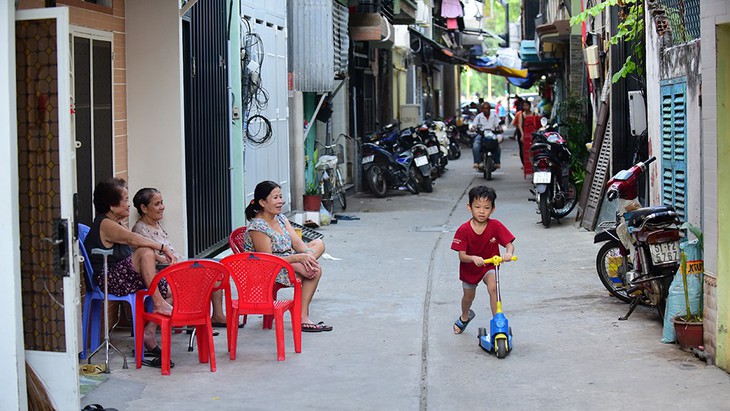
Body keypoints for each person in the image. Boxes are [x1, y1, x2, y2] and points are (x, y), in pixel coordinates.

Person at [84, 178, 178, 357]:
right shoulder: (105, 224)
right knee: (145, 252)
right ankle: (158, 303)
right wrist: (162, 248)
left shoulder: (117, 223)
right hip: (109, 279)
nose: (129, 205)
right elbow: (133, 240)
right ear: (112, 206)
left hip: (123, 276)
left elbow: (130, 250)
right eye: (125, 200)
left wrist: (161, 258)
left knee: (171, 287)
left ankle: (149, 333)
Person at [131, 188, 233, 329]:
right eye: (157, 204)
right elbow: (154, 258)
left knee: (215, 274)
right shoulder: (140, 230)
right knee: (203, 281)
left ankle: (217, 315)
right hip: (163, 273)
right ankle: (195, 321)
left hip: (174, 266)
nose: (162, 207)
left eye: (162, 202)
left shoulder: (155, 223)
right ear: (143, 208)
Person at [243, 181, 331, 333]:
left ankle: (304, 266)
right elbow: (267, 260)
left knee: (318, 244)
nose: (280, 201)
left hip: (287, 259)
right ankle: (302, 317)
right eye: (275, 198)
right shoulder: (258, 227)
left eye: (281, 196)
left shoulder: (280, 218)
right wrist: (297, 259)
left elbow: (298, 243)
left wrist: (305, 255)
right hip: (267, 269)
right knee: (314, 271)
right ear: (262, 202)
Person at [450, 186, 515, 334]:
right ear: (469, 207)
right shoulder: (463, 230)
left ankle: (498, 324)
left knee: (493, 288)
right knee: (468, 297)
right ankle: (465, 316)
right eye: (477, 207)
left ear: (492, 209)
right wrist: (473, 258)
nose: (481, 211)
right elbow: (462, 256)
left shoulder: (496, 226)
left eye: (486, 208)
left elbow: (509, 244)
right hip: (470, 268)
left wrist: (508, 253)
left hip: (489, 266)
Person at [469, 102, 502, 170]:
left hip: (492, 134)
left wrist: (500, 129)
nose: (485, 110)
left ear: (489, 109)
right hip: (481, 134)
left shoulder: (494, 116)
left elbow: (498, 125)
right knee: (475, 145)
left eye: (487, 108)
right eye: (484, 108)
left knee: (497, 146)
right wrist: (473, 129)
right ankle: (476, 162)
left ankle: (497, 162)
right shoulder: (479, 116)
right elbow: (474, 125)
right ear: (482, 109)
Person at [517, 99, 542, 177]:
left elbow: (539, 123)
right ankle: (525, 165)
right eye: (524, 106)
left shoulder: (534, 114)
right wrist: (522, 135)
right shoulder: (521, 115)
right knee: (523, 151)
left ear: (529, 106)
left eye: (527, 105)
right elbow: (520, 125)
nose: (525, 107)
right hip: (525, 135)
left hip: (533, 135)